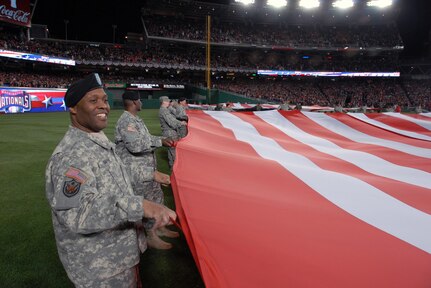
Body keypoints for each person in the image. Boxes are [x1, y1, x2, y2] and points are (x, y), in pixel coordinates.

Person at [45, 73, 177, 287]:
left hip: (119, 258)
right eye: (93, 100)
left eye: (105, 100)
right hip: (101, 269)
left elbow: (115, 176)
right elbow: (77, 213)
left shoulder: (95, 140)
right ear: (73, 108)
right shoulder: (72, 155)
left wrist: (150, 175)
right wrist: (140, 205)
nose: (103, 106)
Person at [115, 91, 179, 250]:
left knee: (156, 197)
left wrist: (160, 139)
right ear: (135, 102)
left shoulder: (135, 120)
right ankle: (151, 235)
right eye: (140, 100)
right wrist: (160, 142)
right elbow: (135, 146)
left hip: (147, 171)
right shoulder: (126, 121)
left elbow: (147, 138)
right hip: (137, 173)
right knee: (147, 203)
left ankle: (160, 228)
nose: (142, 103)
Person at [158, 96, 187, 169]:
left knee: (171, 150)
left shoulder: (164, 109)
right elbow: (171, 122)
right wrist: (181, 123)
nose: (169, 102)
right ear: (164, 102)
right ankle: (175, 167)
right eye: (167, 101)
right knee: (173, 150)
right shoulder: (164, 110)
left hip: (169, 132)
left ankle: (172, 166)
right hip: (170, 132)